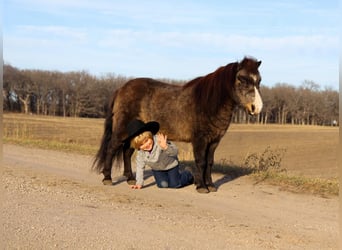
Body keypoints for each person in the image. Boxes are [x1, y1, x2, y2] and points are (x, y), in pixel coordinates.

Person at [124, 119, 193, 189]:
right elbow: (140, 167)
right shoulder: (141, 153)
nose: (146, 145)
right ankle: (170, 179)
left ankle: (188, 174)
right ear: (138, 147)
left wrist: (166, 147)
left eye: (147, 140)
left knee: (175, 184)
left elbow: (175, 152)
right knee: (163, 185)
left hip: (171, 165)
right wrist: (139, 183)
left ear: (150, 136)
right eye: (141, 144)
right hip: (158, 170)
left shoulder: (160, 141)